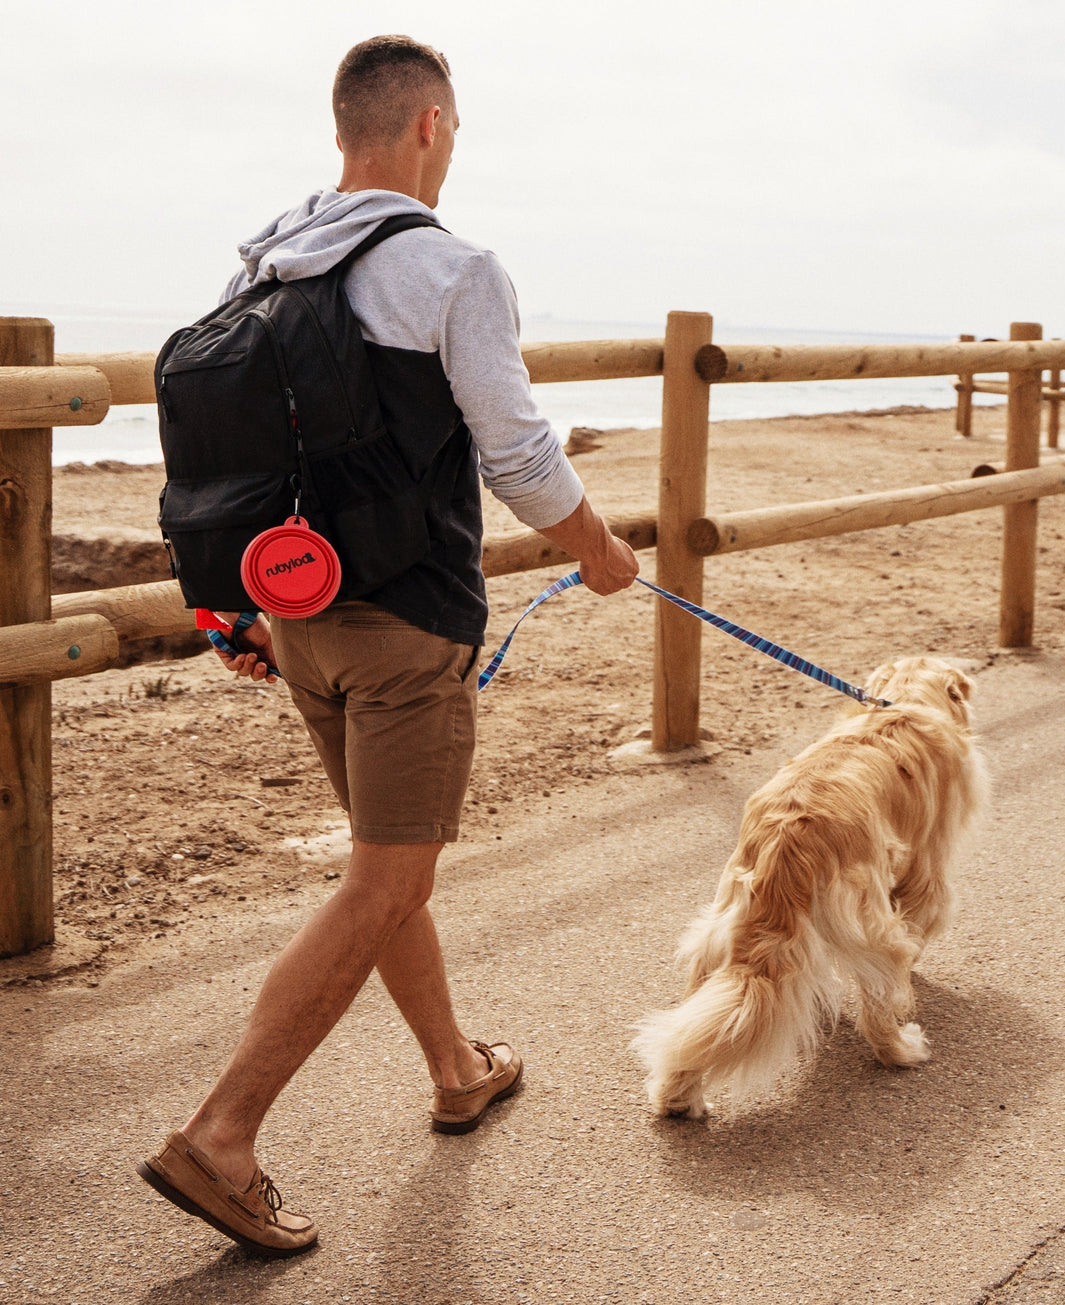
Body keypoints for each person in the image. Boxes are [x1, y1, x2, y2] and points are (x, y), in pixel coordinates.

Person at [137, 34, 638, 1258]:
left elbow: (232, 453)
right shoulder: (451, 270)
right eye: (454, 132)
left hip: (292, 618)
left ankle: (457, 1069)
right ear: (426, 126)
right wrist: (601, 549)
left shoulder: (266, 259)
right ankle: (222, 1135)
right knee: (389, 876)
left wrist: (228, 608)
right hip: (406, 626)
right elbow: (517, 452)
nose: (453, 151)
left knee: (384, 862)